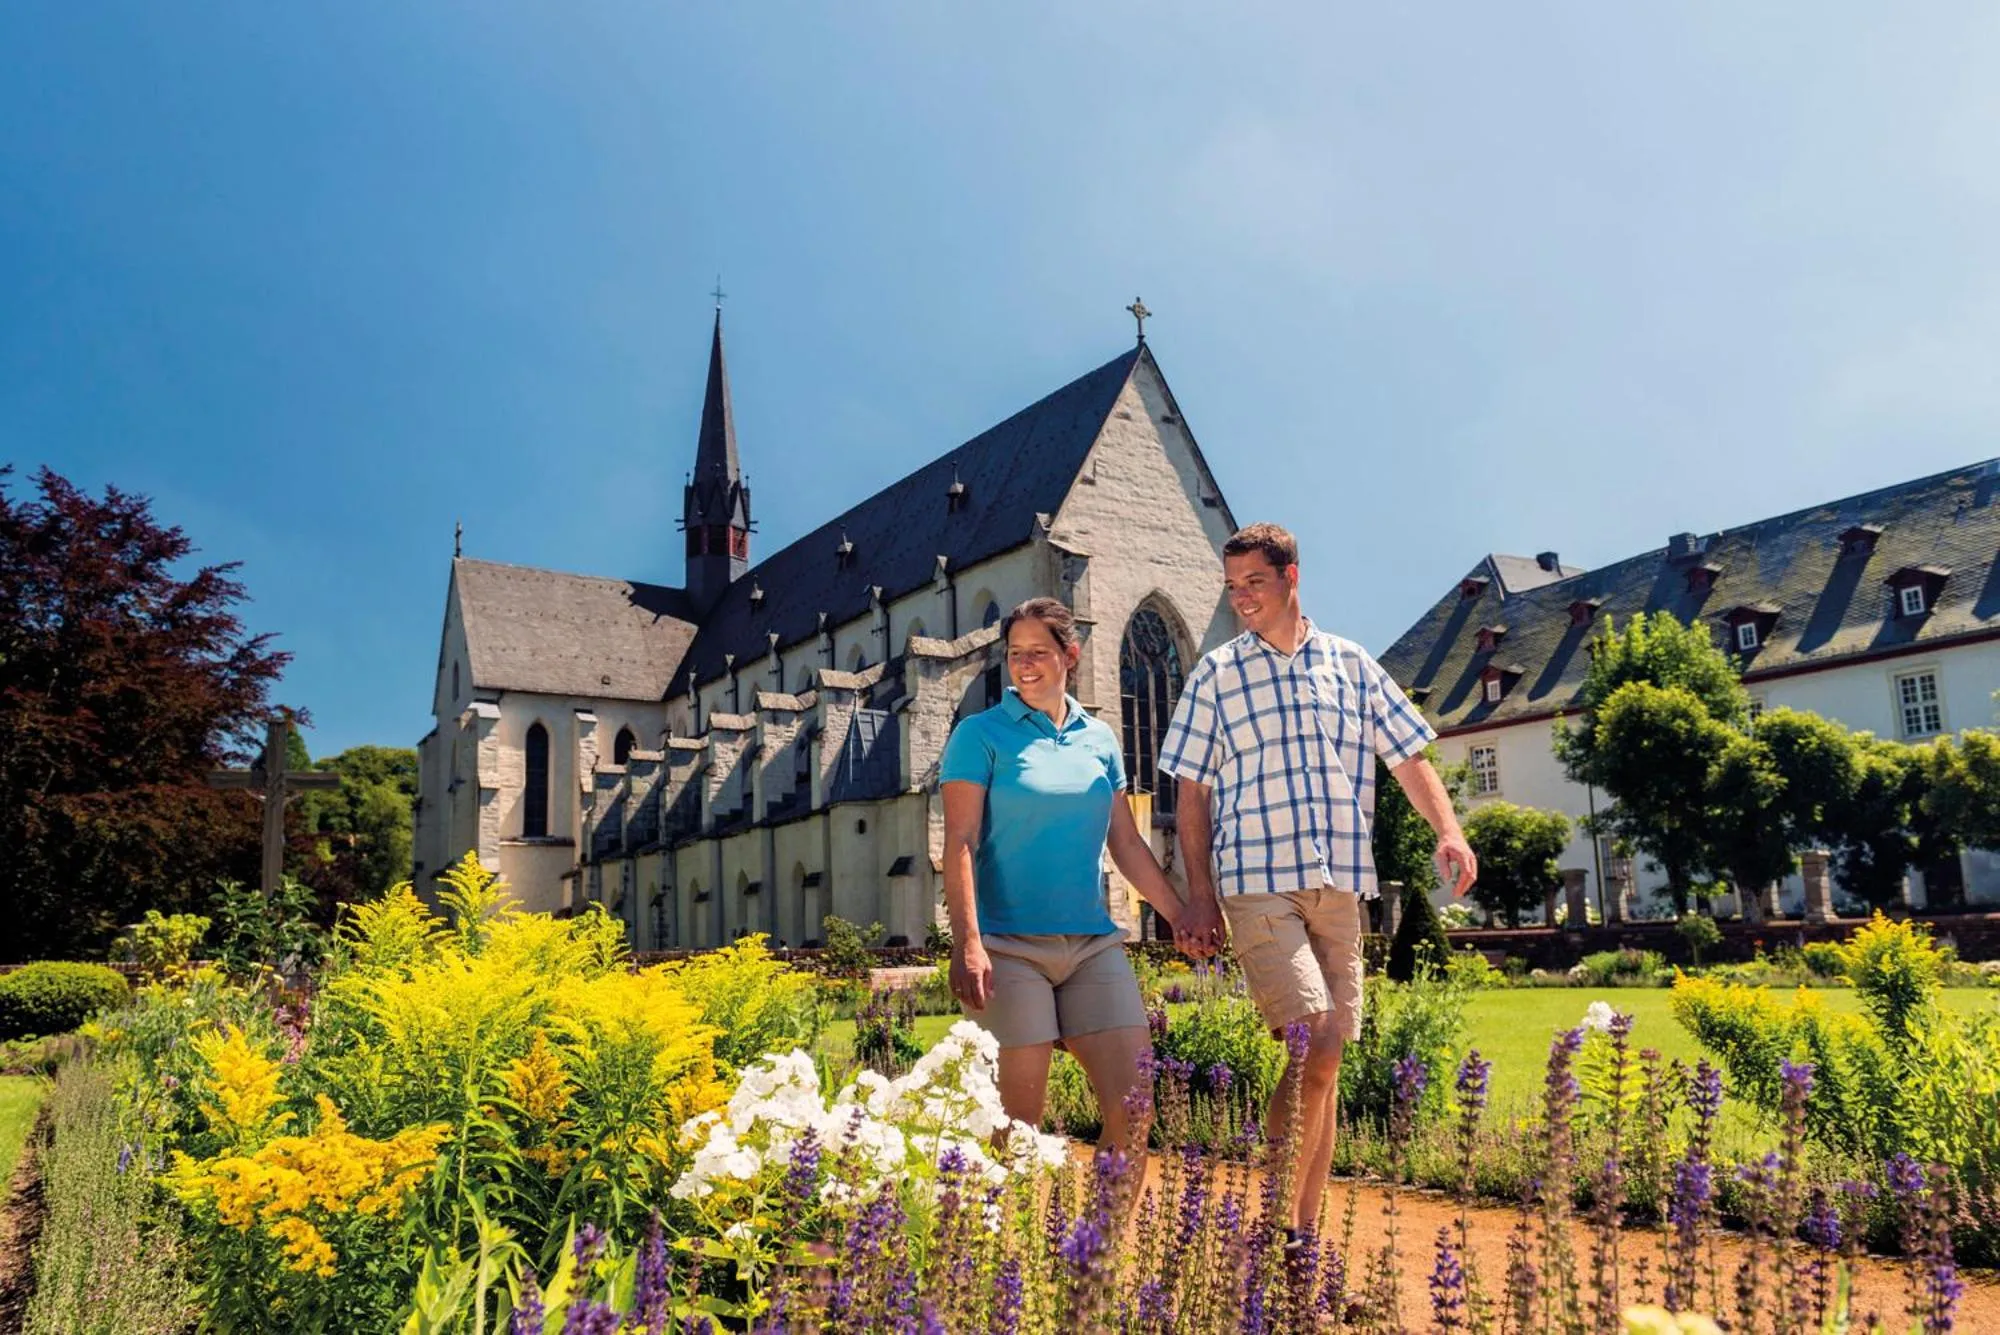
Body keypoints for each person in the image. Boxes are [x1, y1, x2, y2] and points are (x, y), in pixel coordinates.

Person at [1158, 522, 1475, 1237]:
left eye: (1255, 583)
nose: (1240, 597)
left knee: (1327, 1062)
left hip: (1340, 881)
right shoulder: (1217, 674)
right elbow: (1192, 792)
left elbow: (1409, 755)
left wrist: (1449, 829)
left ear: (1291, 577)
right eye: (1232, 585)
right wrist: (1199, 893)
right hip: (1257, 879)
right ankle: (1270, 1224)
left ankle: (1300, 1234)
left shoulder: (1352, 664)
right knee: (1315, 1041)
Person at [939, 597, 1191, 1157]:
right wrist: (969, 943)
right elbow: (959, 841)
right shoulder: (979, 735)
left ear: (1070, 655)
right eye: (1014, 654)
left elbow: (1124, 841)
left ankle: (1093, 1247)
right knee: (1015, 1134)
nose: (1024, 665)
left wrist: (1179, 915)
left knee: (1136, 1107)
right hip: (1008, 949)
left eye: (1038, 652)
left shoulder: (1099, 739)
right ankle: (1005, 1245)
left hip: (1092, 945)